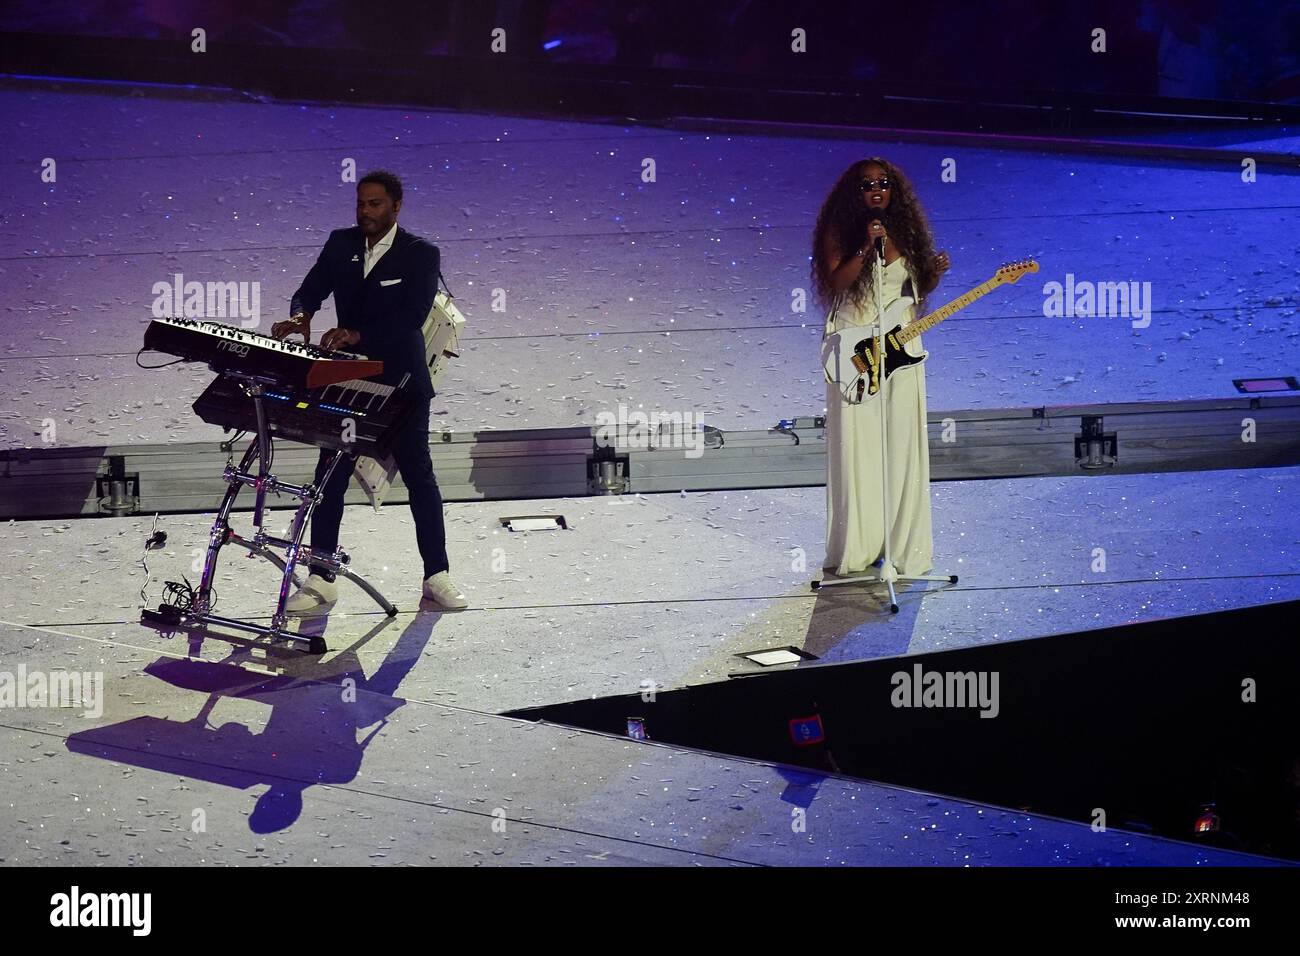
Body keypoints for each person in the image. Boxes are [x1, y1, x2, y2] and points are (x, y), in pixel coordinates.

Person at [270, 170, 467, 612]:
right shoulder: (341, 244)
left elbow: (412, 316)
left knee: (420, 478)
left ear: (396, 207)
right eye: (360, 203)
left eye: (374, 204)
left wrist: (356, 334)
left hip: (402, 384)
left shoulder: (421, 253)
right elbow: (310, 289)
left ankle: (436, 575)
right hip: (350, 382)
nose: (365, 212)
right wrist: (301, 315)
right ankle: (321, 578)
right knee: (330, 477)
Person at [811, 158, 950, 578]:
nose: (876, 190)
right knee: (861, 445)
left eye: (883, 183)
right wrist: (865, 245)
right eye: (867, 185)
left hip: (902, 345)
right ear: (854, 193)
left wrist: (933, 277)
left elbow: (913, 289)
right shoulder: (842, 229)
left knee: (901, 441)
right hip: (859, 346)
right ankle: (859, 546)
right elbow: (836, 282)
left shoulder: (904, 230)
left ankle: (901, 545)